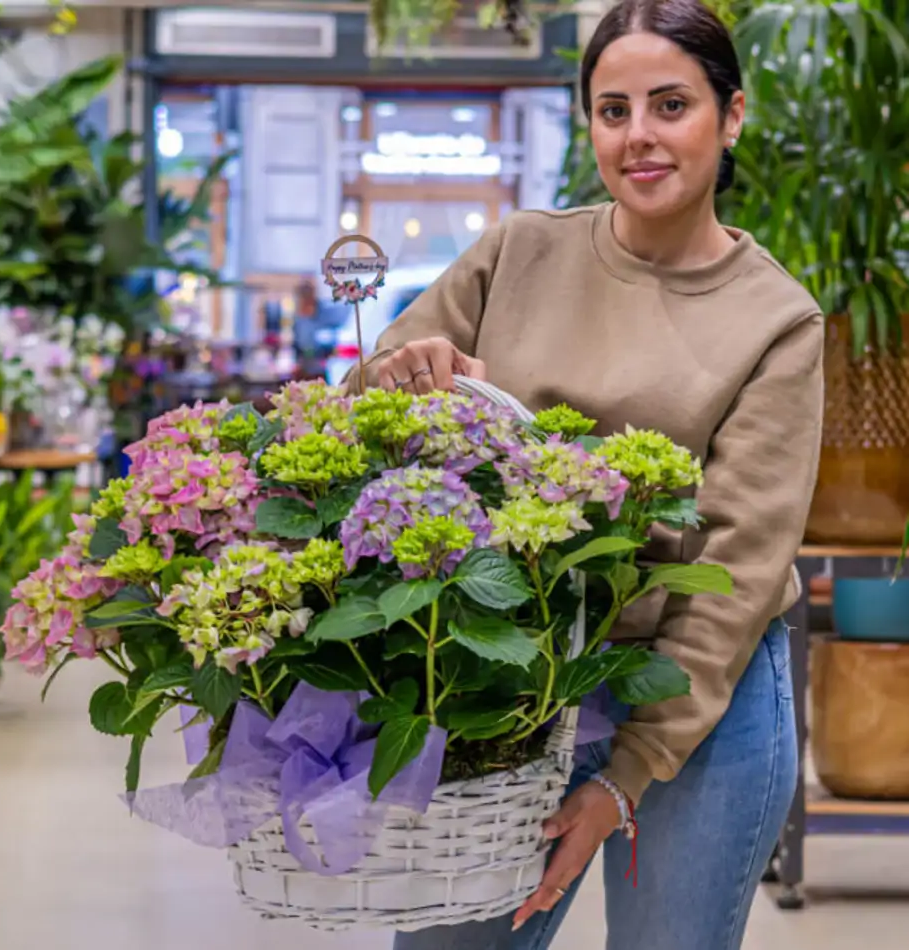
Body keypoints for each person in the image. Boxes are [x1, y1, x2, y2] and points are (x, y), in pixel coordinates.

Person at [346, 1, 825, 946]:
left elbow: (734, 572)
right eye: (613, 110)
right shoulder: (519, 251)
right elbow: (360, 410)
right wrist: (398, 378)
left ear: (731, 115)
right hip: (502, 677)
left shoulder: (777, 321)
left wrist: (628, 774)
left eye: (670, 105)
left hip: (696, 693)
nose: (638, 135)